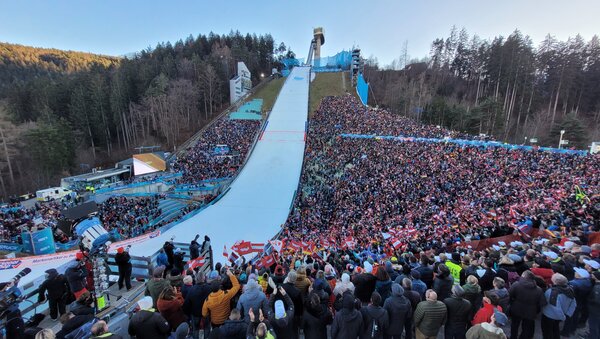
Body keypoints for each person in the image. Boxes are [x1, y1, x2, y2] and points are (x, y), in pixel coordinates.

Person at [509, 270, 546, 339]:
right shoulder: (538, 290)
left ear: (524, 277)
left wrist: (512, 304)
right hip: (530, 312)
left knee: (514, 325)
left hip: (516, 309)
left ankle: (513, 337)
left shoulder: (516, 285)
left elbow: (510, 295)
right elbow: (542, 303)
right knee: (526, 328)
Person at [541, 273, 576, 339]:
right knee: (555, 329)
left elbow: (556, 308)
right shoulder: (570, 289)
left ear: (555, 282)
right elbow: (574, 303)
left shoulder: (551, 292)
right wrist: (567, 314)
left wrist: (563, 317)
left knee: (547, 332)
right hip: (560, 315)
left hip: (549, 316)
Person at [561, 267, 592, 337]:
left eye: (576, 272)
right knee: (575, 316)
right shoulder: (588, 282)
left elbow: (568, 293)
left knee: (569, 317)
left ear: (580, 276)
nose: (575, 273)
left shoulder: (573, 283)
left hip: (572, 301)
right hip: (580, 301)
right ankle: (572, 329)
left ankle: (566, 332)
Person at [183, 271, 211, 338]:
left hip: (195, 313)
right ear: (204, 278)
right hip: (206, 313)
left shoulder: (192, 289)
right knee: (206, 328)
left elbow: (186, 304)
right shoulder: (209, 288)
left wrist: (188, 314)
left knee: (195, 329)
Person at [588, 271, 600, 339]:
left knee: (593, 325)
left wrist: (589, 300)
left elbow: (597, 300)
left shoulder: (597, 288)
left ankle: (593, 336)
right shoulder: (596, 285)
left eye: (592, 275)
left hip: (595, 311)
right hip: (595, 310)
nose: (591, 275)